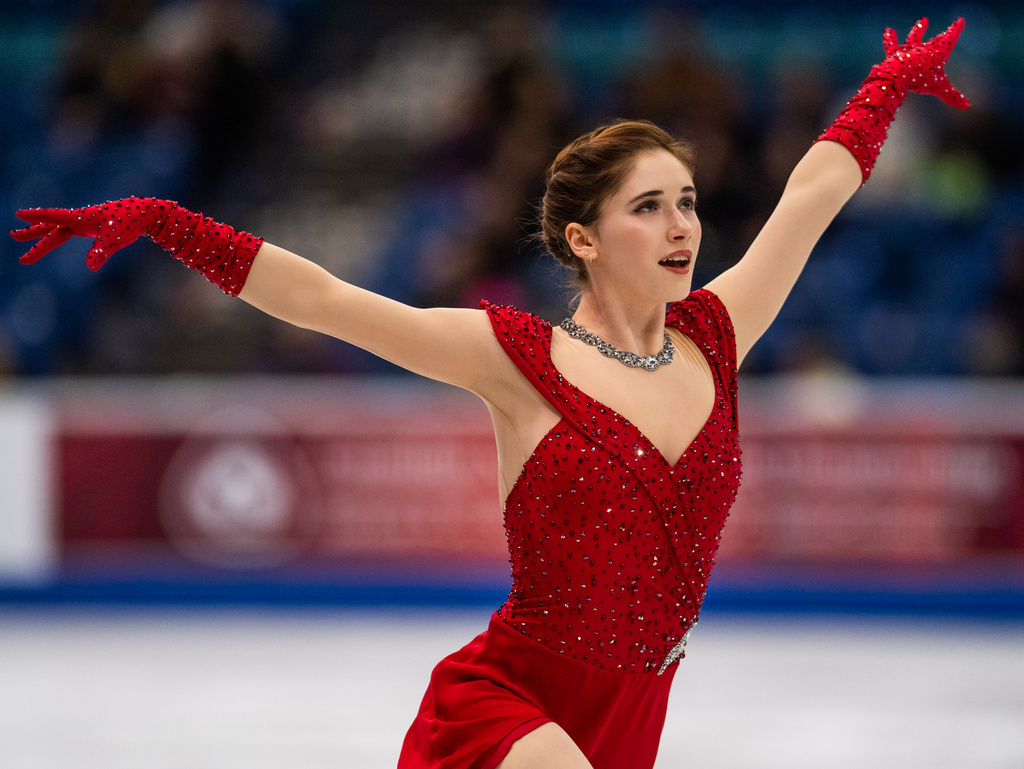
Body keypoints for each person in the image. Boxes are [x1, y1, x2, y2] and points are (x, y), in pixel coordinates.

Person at [10, 17, 969, 769]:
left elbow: (810, 196)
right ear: (583, 240)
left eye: (686, 201)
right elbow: (327, 299)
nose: (682, 226)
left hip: (636, 714)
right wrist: (169, 221)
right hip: (509, 703)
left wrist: (882, 90)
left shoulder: (717, 338)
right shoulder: (514, 357)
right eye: (649, 207)